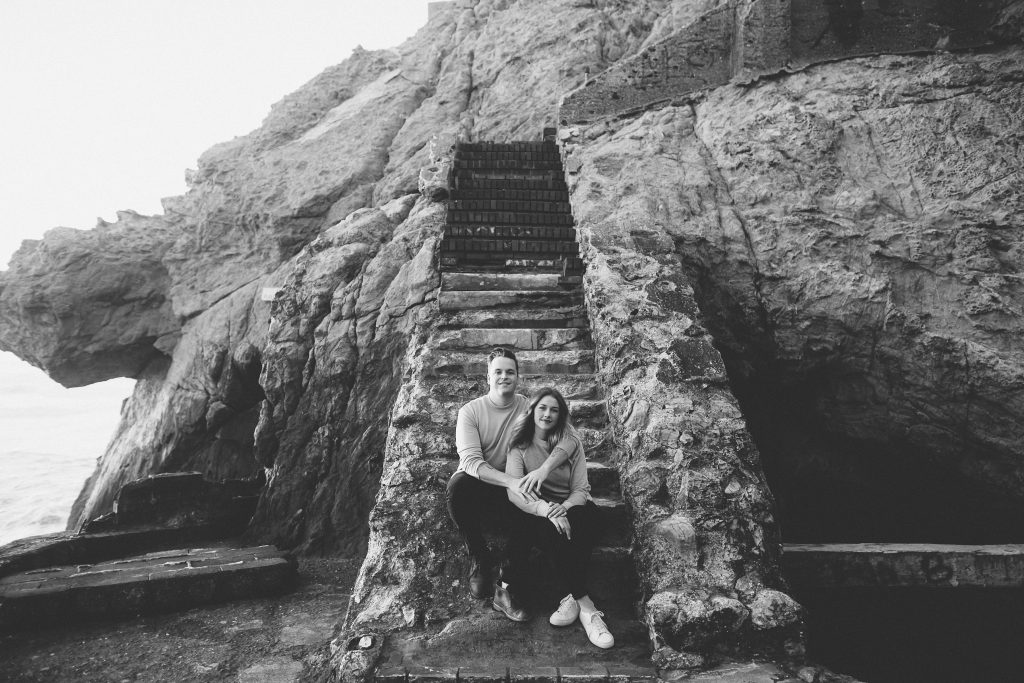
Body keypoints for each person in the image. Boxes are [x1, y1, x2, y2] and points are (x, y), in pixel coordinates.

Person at [446, 348, 575, 621]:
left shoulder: (528, 407)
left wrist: (543, 470)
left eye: (510, 372)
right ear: (488, 377)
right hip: (481, 483)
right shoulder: (470, 411)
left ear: (518, 377)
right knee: (458, 488)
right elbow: (471, 462)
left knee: (530, 502)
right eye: (498, 372)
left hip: (515, 482)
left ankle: (505, 586)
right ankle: (480, 558)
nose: (504, 377)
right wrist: (512, 482)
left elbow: (568, 436)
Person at [504, 387, 614, 649]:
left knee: (584, 522)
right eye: (542, 408)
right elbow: (514, 492)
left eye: (554, 410)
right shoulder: (518, 447)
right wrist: (546, 510)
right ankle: (587, 607)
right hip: (540, 509)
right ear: (532, 411)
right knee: (549, 531)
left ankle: (571, 599)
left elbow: (581, 490)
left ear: (561, 415)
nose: (547, 414)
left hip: (572, 505)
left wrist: (562, 509)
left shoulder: (570, 441)